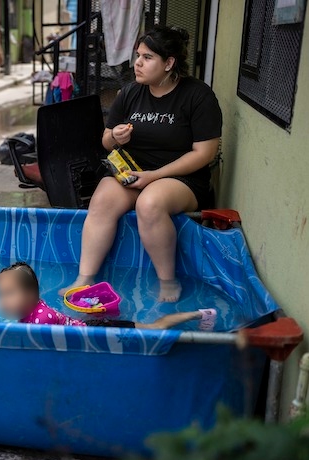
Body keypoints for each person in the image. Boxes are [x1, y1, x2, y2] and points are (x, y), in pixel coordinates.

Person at [60, 26, 222, 302]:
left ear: (169, 63)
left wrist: (154, 176)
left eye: (147, 57)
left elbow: (204, 153)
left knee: (150, 203)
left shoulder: (198, 96)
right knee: (101, 200)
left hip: (180, 179)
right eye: (138, 55)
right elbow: (106, 141)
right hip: (132, 174)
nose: (137, 63)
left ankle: (167, 280)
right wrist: (115, 135)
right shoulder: (130, 93)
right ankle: (85, 277)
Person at [0, 262, 217, 330]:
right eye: (1, 294)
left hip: (101, 331)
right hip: (90, 327)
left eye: (9, 294)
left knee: (154, 328)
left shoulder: (41, 319)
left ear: (30, 295)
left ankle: (199, 314)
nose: (3, 300)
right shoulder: (34, 307)